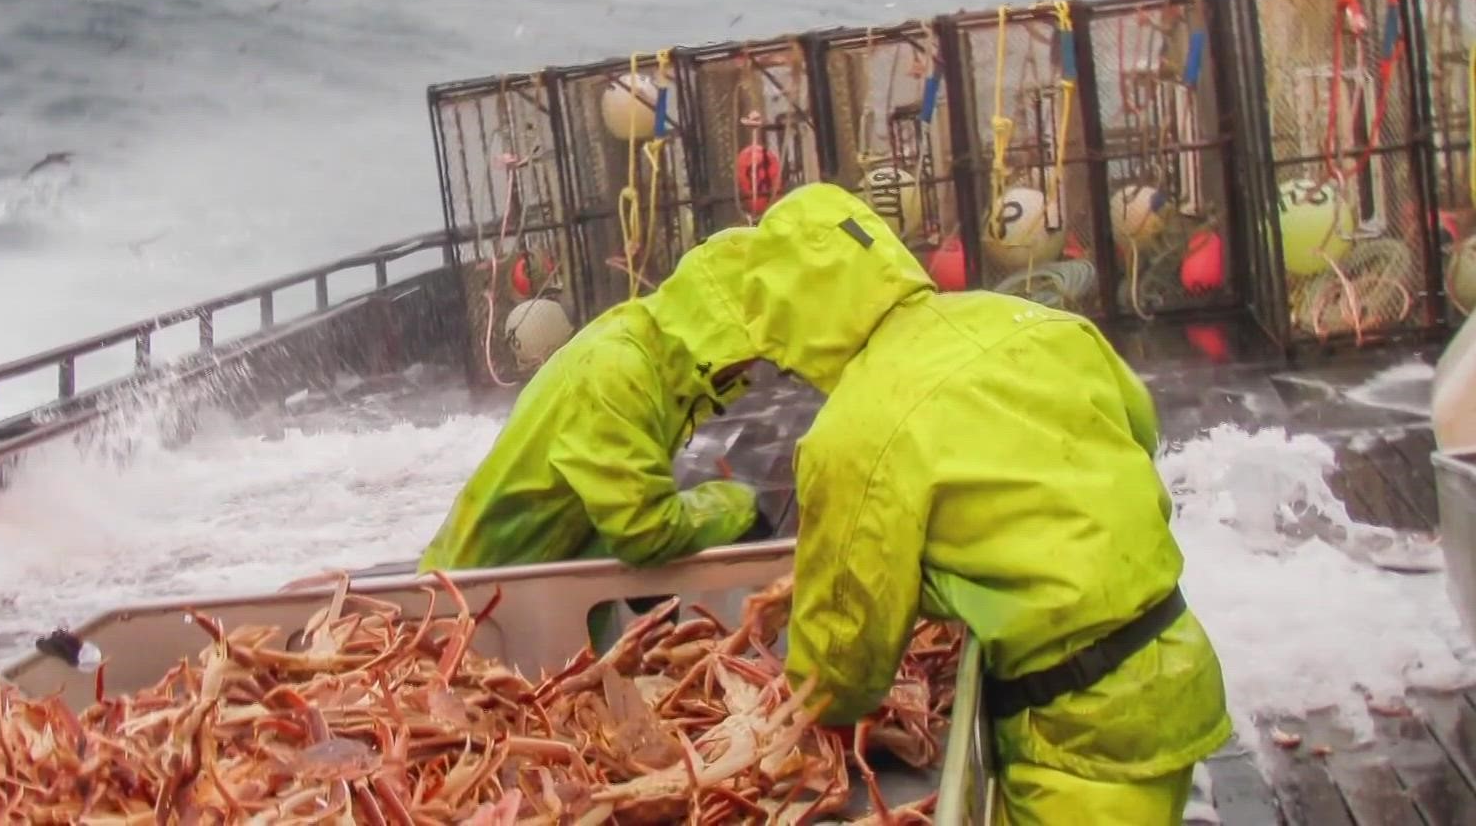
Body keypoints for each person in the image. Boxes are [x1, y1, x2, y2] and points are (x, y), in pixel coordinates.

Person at [742, 183, 1230, 825]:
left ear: (793, 319)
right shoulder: (1032, 320)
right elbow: (1137, 428)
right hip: (1175, 665)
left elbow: (843, 656)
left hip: (1076, 737)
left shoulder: (852, 434)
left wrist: (784, 717)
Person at [418, 226, 765, 575]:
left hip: (535, 584)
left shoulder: (658, 357)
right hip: (479, 604)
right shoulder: (618, 371)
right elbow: (643, 530)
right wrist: (740, 508)